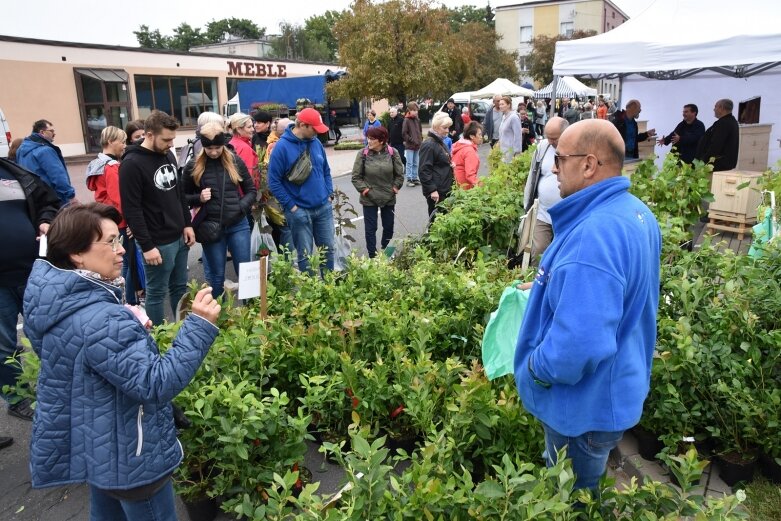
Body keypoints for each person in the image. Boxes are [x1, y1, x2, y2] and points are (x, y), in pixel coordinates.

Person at [23, 203, 221, 521]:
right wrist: (199, 326)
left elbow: (92, 369)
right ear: (76, 254)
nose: (121, 250)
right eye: (111, 241)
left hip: (101, 447)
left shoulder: (56, 300)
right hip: (133, 456)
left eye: (120, 239)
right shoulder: (100, 318)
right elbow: (156, 383)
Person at [514, 119, 661, 492]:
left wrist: (534, 370)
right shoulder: (634, 211)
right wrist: (550, 289)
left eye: (560, 158)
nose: (552, 167)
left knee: (571, 500)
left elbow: (577, 346)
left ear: (589, 164)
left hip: (581, 407)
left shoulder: (592, 237)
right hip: (613, 389)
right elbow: (616, 290)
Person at [119, 110, 194, 326]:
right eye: (166, 139)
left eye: (173, 139)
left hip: (179, 236)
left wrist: (187, 224)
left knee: (180, 287)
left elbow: (178, 192)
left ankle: (182, 331)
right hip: (158, 242)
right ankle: (158, 339)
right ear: (149, 135)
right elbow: (131, 210)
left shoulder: (167, 154)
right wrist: (147, 245)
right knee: (156, 292)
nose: (171, 144)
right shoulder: (131, 164)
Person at [0, 156, 59, 427]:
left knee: (49, 333)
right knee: (4, 346)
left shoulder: (10, 170)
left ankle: (62, 389)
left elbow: (48, 200)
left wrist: (46, 220)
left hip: (31, 273)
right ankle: (19, 399)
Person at [183, 122, 256, 297]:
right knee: (216, 277)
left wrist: (240, 207)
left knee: (246, 273)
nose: (214, 152)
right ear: (203, 146)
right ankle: (219, 318)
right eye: (209, 148)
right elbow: (182, 197)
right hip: (211, 226)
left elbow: (251, 191)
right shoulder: (193, 166)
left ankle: (252, 316)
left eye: (218, 147)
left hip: (238, 224)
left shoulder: (234, 160)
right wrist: (198, 198)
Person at [267, 107, 335, 274]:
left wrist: (329, 194)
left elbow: (326, 170)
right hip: (299, 210)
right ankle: (310, 295)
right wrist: (292, 207)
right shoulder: (281, 147)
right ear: (302, 125)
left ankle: (329, 290)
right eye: (314, 129)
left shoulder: (316, 143)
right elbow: (273, 182)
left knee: (328, 251)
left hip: (323, 208)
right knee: (305, 256)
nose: (318, 133)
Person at [86, 126, 144, 305]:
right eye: (121, 141)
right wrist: (130, 222)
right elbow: (119, 197)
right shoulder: (111, 167)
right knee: (128, 261)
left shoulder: (97, 163)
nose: (124, 145)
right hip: (120, 221)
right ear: (111, 142)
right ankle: (132, 299)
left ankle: (127, 297)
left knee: (121, 260)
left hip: (109, 218)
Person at [350, 126, 404, 258]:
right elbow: (356, 177)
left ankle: (387, 255)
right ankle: (372, 257)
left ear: (381, 140)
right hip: (369, 197)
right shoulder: (363, 154)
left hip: (388, 196)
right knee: (370, 228)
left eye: (372, 139)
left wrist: (395, 188)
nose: (368, 141)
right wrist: (366, 190)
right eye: (368, 138)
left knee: (389, 227)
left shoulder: (393, 153)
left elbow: (399, 175)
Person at [522, 117, 568, 263]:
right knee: (539, 251)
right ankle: (536, 282)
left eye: (554, 138)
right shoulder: (543, 147)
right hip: (543, 212)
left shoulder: (578, 148)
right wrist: (527, 204)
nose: (550, 141)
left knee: (563, 254)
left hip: (567, 215)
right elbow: (533, 174)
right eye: (548, 137)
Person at [15, 119, 76, 205]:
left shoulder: (21, 149)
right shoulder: (45, 151)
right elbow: (58, 176)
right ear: (42, 132)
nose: (54, 134)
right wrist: (70, 196)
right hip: (52, 199)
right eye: (51, 131)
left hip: (33, 197)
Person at [419, 112, 454, 220]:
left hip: (443, 188)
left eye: (448, 128)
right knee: (436, 222)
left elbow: (440, 161)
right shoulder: (429, 144)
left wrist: (450, 163)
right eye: (445, 128)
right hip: (437, 191)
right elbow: (424, 170)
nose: (447, 131)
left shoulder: (439, 141)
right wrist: (432, 190)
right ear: (436, 127)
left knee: (443, 221)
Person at [695, 98, 739, 172]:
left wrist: (704, 160)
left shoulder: (724, 123)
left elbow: (716, 144)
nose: (714, 109)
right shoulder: (730, 121)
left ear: (721, 108)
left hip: (716, 165)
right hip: (722, 164)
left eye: (715, 107)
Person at [228, 113, 259, 189]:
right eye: (249, 127)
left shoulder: (232, 143)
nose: (253, 129)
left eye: (252, 126)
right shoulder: (244, 148)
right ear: (239, 129)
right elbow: (248, 176)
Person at [452, 121, 483, 190]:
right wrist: (483, 186)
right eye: (479, 135)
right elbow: (470, 175)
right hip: (465, 187)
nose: (481, 137)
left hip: (456, 183)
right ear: (472, 136)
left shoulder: (460, 145)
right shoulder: (469, 151)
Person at [402, 101, 423, 187]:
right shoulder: (406, 120)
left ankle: (415, 177)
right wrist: (411, 140)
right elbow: (404, 133)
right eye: (414, 110)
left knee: (416, 163)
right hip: (410, 145)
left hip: (417, 145)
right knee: (409, 163)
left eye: (417, 110)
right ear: (409, 110)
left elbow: (420, 131)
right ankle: (409, 179)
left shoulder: (417, 120)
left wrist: (420, 139)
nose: (416, 112)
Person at [498, 95, 522, 163]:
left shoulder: (514, 117)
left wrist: (517, 152)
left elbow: (518, 135)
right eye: (500, 104)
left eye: (502, 104)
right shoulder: (503, 117)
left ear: (508, 105)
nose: (500, 106)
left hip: (511, 151)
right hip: (503, 150)